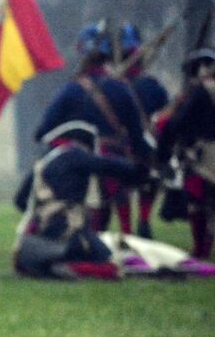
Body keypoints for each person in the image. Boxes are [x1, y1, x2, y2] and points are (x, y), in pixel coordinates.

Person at [35, 24, 151, 234]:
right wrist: (142, 165)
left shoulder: (71, 90)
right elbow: (136, 136)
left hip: (81, 167)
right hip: (115, 163)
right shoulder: (121, 88)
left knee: (89, 226)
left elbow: (43, 131)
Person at [14, 120, 151, 279]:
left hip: (36, 234)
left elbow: (20, 200)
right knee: (110, 266)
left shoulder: (44, 162)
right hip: (67, 230)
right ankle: (64, 268)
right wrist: (141, 169)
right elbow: (108, 165)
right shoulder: (74, 155)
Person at [156, 47, 215, 259]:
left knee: (197, 202)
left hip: (205, 155)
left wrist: (163, 153)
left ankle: (201, 249)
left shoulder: (202, 91)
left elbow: (176, 124)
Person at [115, 23, 169, 239]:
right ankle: (144, 222)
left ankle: (129, 231)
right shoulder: (153, 85)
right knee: (147, 186)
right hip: (146, 147)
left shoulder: (111, 85)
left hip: (122, 147)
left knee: (121, 189)